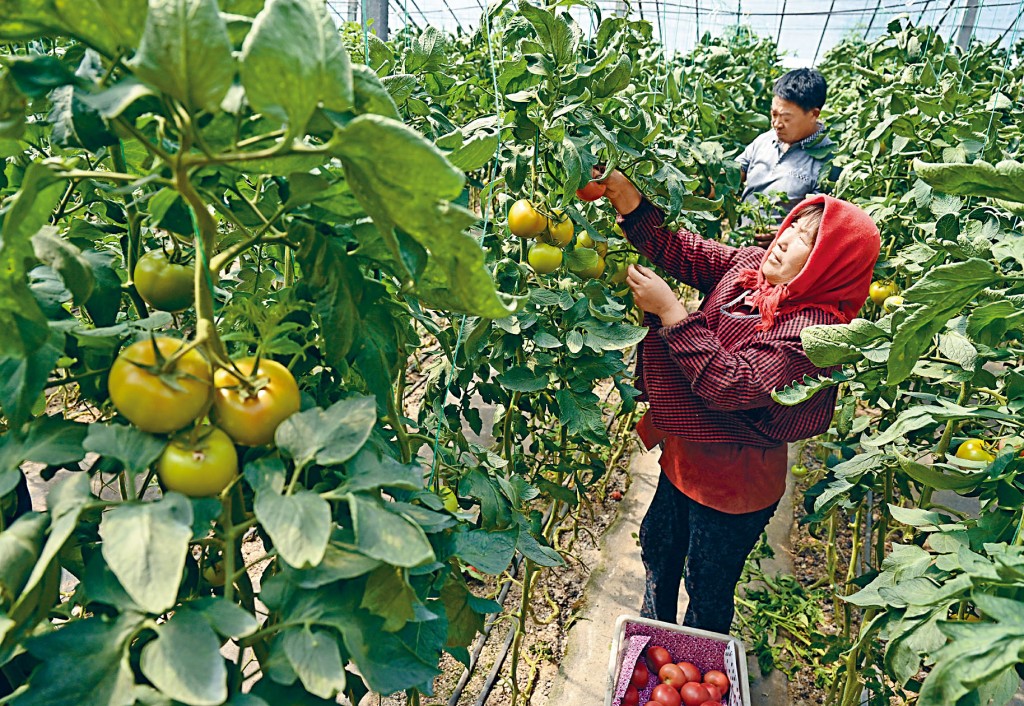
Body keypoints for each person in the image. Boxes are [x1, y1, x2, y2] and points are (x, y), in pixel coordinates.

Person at [597, 168, 880, 634]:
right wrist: (630, 203)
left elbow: (731, 384)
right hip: (686, 457)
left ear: (832, 264)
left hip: (734, 485)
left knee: (706, 581)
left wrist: (672, 312)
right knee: (658, 545)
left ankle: (695, 666)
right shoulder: (750, 270)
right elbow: (683, 251)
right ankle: (653, 638)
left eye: (807, 240)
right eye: (791, 225)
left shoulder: (814, 335)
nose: (785, 238)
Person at [738, 68, 834, 247]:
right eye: (774, 114)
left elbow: (818, 223)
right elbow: (736, 173)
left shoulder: (828, 160)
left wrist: (785, 233)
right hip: (739, 243)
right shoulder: (764, 140)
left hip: (779, 259)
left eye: (786, 118)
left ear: (814, 114)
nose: (777, 124)